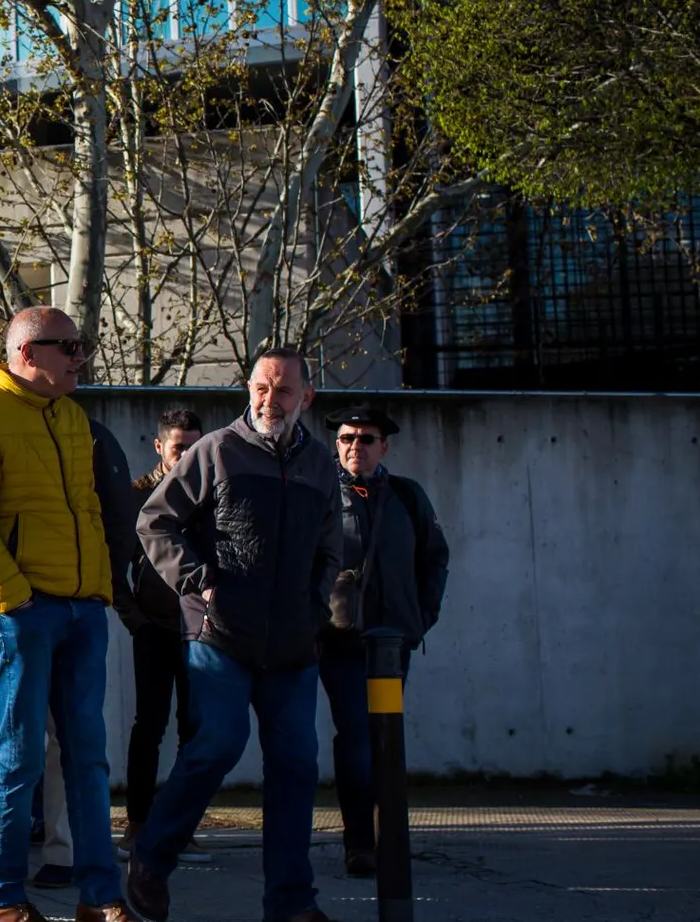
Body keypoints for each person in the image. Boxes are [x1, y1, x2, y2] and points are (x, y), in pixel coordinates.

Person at [127, 347, 343, 922]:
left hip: (294, 645)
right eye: (261, 388)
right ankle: (150, 858)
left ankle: (292, 903)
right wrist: (196, 581)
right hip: (221, 636)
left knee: (297, 764)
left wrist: (316, 603)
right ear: (249, 389)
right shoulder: (216, 450)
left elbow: (330, 545)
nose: (271, 400)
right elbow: (154, 520)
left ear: (307, 397)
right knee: (216, 747)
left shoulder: (322, 465)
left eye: (284, 391)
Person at [0, 306, 137, 922]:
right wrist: (15, 599)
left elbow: (89, 511)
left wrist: (98, 591)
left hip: (82, 611)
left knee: (88, 756)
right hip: (23, 613)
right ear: (27, 354)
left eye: (80, 346)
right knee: (19, 755)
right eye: (68, 347)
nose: (80, 357)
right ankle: (1, 899)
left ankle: (100, 896)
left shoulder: (73, 418)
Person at [319, 402, 449, 879]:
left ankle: (387, 836)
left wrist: (420, 618)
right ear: (337, 445)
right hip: (342, 646)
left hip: (391, 648)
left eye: (366, 439)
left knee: (384, 737)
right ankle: (360, 844)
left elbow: (434, 560)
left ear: (384, 446)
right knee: (355, 738)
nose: (356, 446)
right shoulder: (322, 495)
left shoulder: (407, 497)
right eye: (348, 438)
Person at [109, 409, 208, 863]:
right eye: (179, 448)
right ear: (160, 448)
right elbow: (114, 569)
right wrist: (138, 622)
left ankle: (181, 826)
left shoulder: (210, 492)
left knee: (196, 729)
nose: (187, 456)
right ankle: (139, 822)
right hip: (154, 628)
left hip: (202, 631)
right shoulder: (135, 497)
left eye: (194, 446)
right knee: (149, 727)